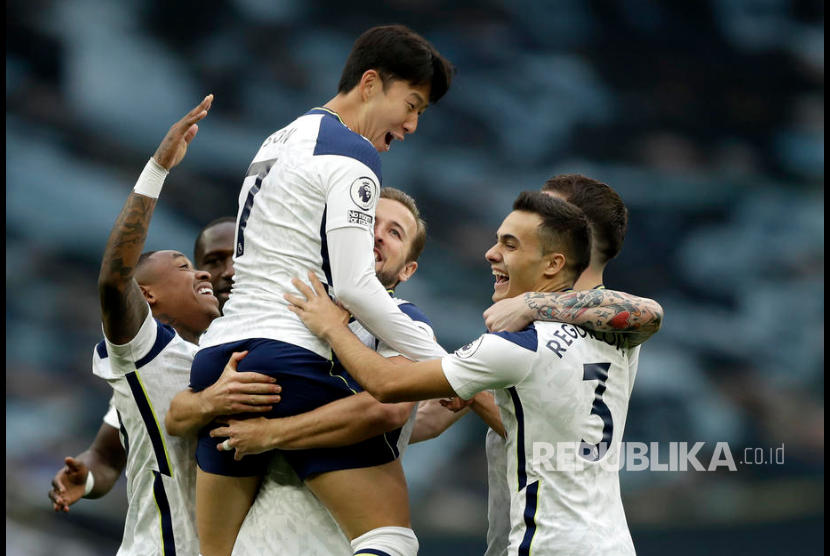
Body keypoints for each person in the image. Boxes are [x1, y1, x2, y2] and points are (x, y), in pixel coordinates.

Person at [189, 24, 456, 556]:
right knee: (391, 538)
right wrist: (447, 372)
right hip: (289, 357)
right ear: (371, 83)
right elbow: (357, 288)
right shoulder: (354, 155)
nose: (411, 124)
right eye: (412, 103)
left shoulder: (279, 138)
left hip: (219, 360)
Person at [287, 191, 646, 555]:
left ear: (556, 259)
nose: (491, 254)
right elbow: (424, 420)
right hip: (611, 541)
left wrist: (332, 328)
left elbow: (388, 385)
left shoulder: (517, 346)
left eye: (509, 244)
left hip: (549, 544)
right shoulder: (619, 335)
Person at [88, 95, 282, 556]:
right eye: (186, 266)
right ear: (148, 296)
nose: (206, 275)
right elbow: (115, 280)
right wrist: (158, 168)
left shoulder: (243, 350)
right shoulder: (147, 350)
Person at [481, 174, 662, 556]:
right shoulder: (531, 321)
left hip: (557, 542)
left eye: (547, 212)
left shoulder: (606, 320)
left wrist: (532, 304)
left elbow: (649, 312)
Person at [47, 214, 262, 515]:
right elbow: (107, 456)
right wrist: (90, 478)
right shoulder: (158, 356)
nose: (228, 271)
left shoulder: (281, 341)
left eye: (239, 257)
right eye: (213, 262)